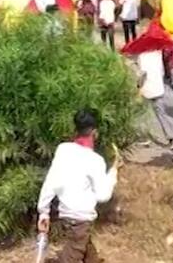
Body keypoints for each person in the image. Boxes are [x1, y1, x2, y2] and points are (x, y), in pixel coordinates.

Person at [36, 110, 119, 263]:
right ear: (95, 132)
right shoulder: (95, 160)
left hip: (66, 215)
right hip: (81, 218)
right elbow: (103, 195)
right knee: (71, 256)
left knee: (87, 251)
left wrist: (44, 212)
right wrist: (113, 173)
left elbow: (50, 182)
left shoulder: (63, 150)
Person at [137, 50, 173, 150]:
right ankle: (171, 138)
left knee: (144, 114)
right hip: (158, 87)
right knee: (162, 114)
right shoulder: (158, 54)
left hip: (146, 88)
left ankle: (145, 138)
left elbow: (142, 74)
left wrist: (138, 85)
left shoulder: (142, 56)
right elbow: (162, 72)